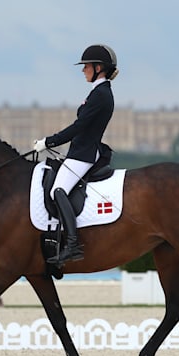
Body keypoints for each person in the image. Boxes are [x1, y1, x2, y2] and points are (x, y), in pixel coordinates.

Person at [33, 43, 118, 267]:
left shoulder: (101, 94)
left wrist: (48, 142)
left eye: (86, 66)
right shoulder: (99, 92)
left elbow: (78, 127)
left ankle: (72, 244)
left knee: (57, 190)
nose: (83, 70)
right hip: (80, 151)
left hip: (83, 154)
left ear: (99, 68)